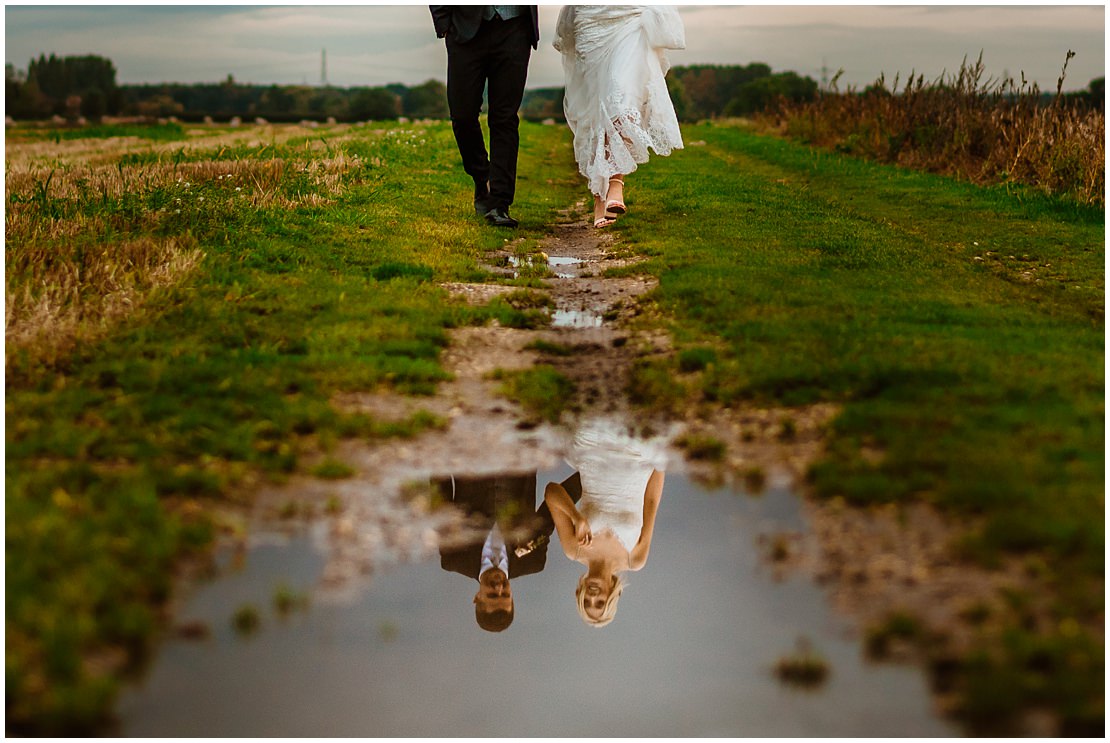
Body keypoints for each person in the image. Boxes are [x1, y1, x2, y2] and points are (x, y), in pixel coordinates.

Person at [553, 6, 686, 229]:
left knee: (622, 99)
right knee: (597, 108)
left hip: (629, 16)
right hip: (592, 19)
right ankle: (599, 199)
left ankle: (615, 183)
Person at [543, 418, 667, 628]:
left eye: (586, 602)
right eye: (600, 603)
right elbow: (651, 502)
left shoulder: (574, 550)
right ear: (611, 595)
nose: (593, 597)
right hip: (637, 454)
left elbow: (551, 492)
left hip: (594, 447)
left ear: (579, 593)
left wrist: (577, 517)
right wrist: (659, 461)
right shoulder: (635, 559)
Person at [430, 5, 540, 228]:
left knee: (504, 118)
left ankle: (499, 203)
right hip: (465, 29)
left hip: (515, 28)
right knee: (462, 115)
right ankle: (483, 177)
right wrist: (444, 24)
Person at [436, 471, 582, 632]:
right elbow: (551, 509)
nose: (499, 587)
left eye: (492, 595)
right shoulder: (533, 561)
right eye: (505, 595)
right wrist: (592, 478)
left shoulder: (454, 559)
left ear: (477, 598)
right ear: (512, 598)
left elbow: (442, 499)